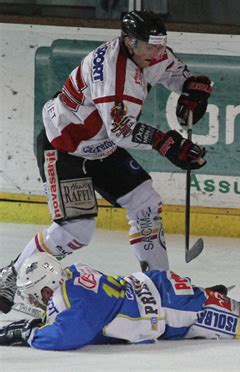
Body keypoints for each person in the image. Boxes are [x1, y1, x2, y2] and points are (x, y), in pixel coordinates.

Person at [0, 10, 213, 314]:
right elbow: (122, 130)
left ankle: (159, 286)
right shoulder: (114, 73)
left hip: (102, 147)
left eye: (160, 46)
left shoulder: (149, 54)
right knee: (76, 230)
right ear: (130, 42)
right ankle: (11, 273)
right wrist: (166, 143)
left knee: (146, 203)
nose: (157, 53)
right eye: (150, 47)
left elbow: (173, 72)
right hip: (66, 148)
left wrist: (192, 88)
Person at [0, 253, 240, 350]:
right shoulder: (75, 273)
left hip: (175, 310)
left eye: (34, 295)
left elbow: (71, 334)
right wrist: (40, 322)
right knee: (235, 308)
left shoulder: (72, 302)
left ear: (46, 286)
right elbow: (88, 317)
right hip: (159, 287)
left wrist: (31, 333)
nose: (34, 302)